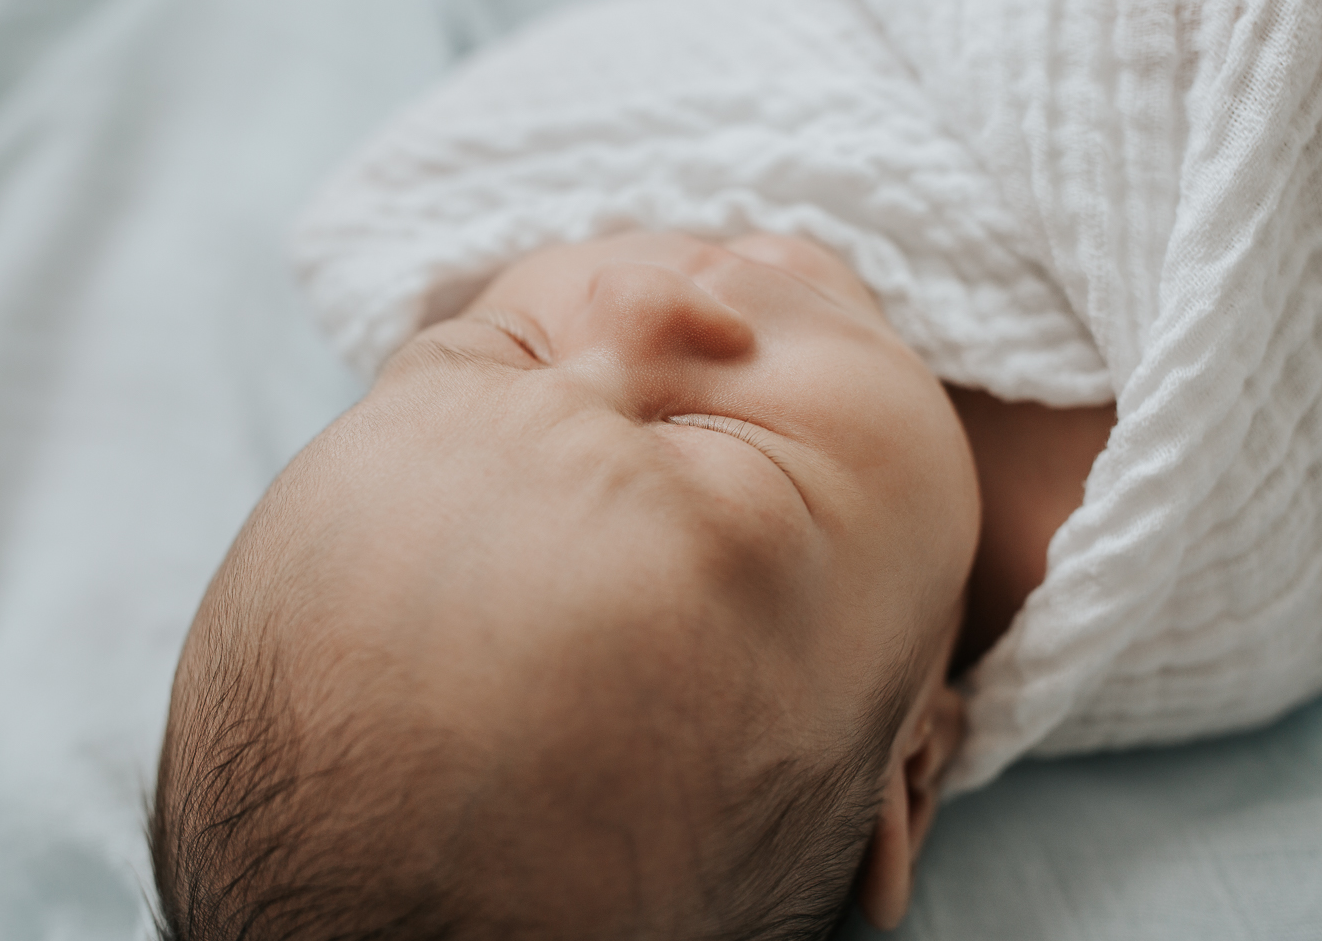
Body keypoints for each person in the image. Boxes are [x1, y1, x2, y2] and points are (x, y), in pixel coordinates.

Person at [148, 230, 1114, 940]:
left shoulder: (447, 227)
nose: (634, 292)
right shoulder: (1102, 497)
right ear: (910, 771)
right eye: (722, 442)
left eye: (506, 344)